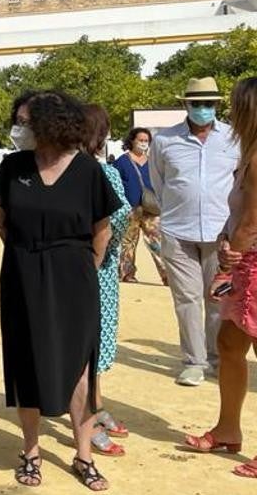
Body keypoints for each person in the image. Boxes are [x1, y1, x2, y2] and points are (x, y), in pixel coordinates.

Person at [0, 91, 121, 492]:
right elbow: (2, 224)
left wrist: (77, 269)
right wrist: (32, 258)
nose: (19, 128)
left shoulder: (87, 170)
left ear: (51, 124)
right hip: (23, 273)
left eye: (27, 121)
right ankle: (30, 450)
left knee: (81, 366)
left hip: (74, 276)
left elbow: (103, 232)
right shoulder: (13, 167)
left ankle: (84, 455)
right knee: (26, 361)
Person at [186, 77, 257, 478]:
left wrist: (227, 269)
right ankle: (228, 427)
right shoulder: (249, 153)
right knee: (229, 344)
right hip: (246, 259)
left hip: (252, 264)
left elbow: (251, 221)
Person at [150, 77, 240, 386]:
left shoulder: (233, 138)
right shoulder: (164, 141)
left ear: (217, 105)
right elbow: (158, 183)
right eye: (196, 103)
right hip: (178, 231)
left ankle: (216, 358)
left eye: (209, 103)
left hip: (221, 233)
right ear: (185, 104)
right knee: (186, 299)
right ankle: (193, 361)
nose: (203, 109)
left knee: (217, 297)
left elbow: (241, 182)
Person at [82, 105, 132, 456]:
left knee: (90, 349)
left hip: (88, 269)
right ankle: (90, 418)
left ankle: (95, 406)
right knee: (90, 349)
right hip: (95, 271)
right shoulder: (102, 174)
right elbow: (119, 220)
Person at [112, 127, 167, 284]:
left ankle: (167, 274)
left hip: (151, 207)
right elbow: (116, 185)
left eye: (146, 141)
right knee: (128, 241)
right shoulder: (121, 162)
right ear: (132, 141)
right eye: (140, 140)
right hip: (130, 208)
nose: (143, 143)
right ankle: (126, 273)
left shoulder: (152, 162)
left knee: (157, 240)